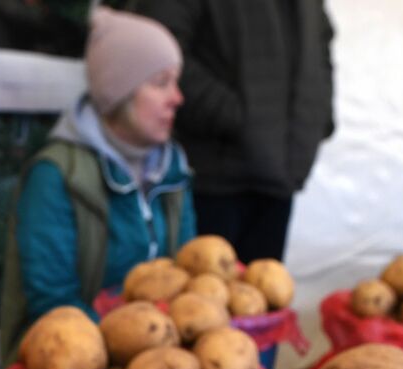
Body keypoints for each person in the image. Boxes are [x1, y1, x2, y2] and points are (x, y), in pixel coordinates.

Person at [0, 7, 196, 359]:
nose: (177, 98)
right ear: (120, 92)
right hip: (70, 361)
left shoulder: (173, 169)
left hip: (157, 360)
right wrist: (135, 341)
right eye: (162, 83)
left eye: (176, 83)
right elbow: (53, 305)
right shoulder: (56, 175)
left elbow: (187, 271)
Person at [130, 0, 334, 263]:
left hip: (281, 172)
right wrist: (233, 117)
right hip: (213, 177)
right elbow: (157, 48)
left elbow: (321, 42)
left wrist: (320, 116)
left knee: (262, 297)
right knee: (202, 296)